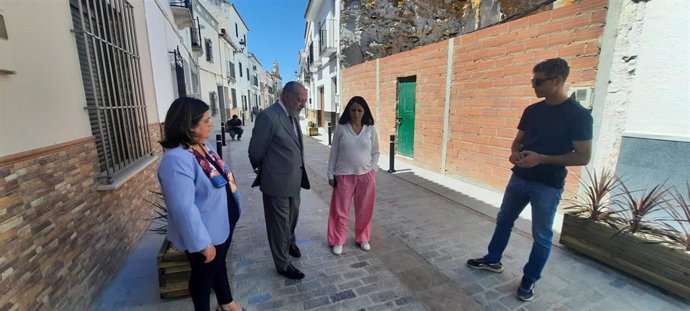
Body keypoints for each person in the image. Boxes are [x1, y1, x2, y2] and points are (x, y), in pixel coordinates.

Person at [466, 58, 592, 302]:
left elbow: (583, 157)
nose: (533, 86)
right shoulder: (532, 110)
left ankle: (530, 278)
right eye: (532, 81)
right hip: (519, 178)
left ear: (557, 81)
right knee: (503, 220)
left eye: (538, 81)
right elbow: (518, 140)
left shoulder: (578, 116)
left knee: (542, 236)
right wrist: (515, 152)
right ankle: (493, 260)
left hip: (548, 184)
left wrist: (541, 158)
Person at [157, 97, 245, 311]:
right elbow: (182, 207)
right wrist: (202, 243)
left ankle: (226, 303)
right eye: (206, 120)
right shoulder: (176, 159)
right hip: (205, 232)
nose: (211, 123)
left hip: (221, 223)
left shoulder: (201, 146)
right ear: (190, 126)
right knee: (203, 278)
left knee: (218, 265)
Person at [248, 81, 310, 280]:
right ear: (286, 96)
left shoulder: (292, 115)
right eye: (300, 100)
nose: (302, 104)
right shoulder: (268, 116)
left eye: (305, 101)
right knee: (278, 224)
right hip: (276, 182)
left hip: (294, 181)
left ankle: (289, 242)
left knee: (291, 218)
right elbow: (255, 151)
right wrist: (267, 169)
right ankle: (282, 264)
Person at [326, 96, 379, 255]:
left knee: (364, 209)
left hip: (366, 176)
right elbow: (333, 152)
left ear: (365, 111)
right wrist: (330, 173)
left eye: (359, 110)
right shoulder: (341, 128)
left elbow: (376, 151)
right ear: (348, 111)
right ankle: (338, 240)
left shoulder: (370, 129)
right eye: (353, 110)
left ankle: (363, 238)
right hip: (343, 175)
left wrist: (373, 169)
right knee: (340, 211)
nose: (356, 113)